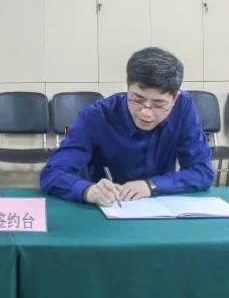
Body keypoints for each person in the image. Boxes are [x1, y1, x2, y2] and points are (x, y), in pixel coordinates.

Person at [39, 47, 213, 206]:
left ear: (175, 99)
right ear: (128, 88)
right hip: (107, 208)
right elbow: (52, 174)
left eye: (158, 104)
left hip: (160, 207)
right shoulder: (95, 117)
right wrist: (88, 191)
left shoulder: (183, 107)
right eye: (137, 99)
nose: (146, 112)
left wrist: (151, 186)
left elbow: (202, 172)